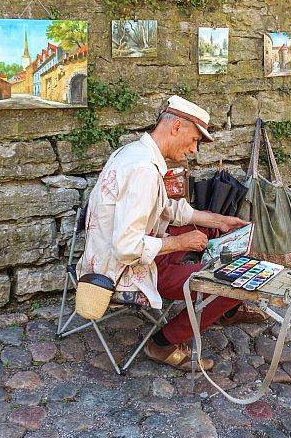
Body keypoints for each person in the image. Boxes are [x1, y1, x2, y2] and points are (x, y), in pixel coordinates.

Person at [76, 95, 268, 371]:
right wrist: (179, 242)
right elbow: (126, 247)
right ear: (176, 127)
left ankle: (221, 307)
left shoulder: (133, 153)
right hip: (124, 271)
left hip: (112, 255)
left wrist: (217, 219)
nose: (194, 150)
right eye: (194, 140)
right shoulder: (143, 169)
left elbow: (163, 207)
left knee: (210, 227)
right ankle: (163, 344)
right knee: (233, 284)